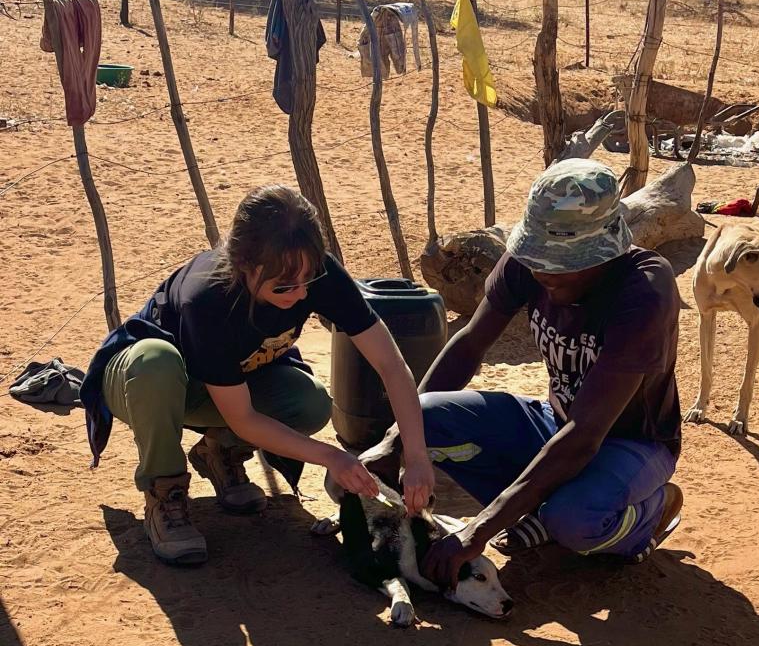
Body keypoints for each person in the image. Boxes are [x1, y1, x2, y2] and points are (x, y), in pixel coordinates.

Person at [367, 159, 683, 589]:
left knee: (574, 519)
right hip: (554, 424)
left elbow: (586, 435)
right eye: (539, 259)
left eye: (563, 262)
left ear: (606, 250)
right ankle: (537, 511)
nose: (544, 272)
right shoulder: (528, 261)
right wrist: (399, 441)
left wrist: (477, 531)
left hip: (629, 443)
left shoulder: (644, 292)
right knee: (425, 416)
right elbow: (469, 345)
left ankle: (649, 513)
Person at [80, 185, 434, 566]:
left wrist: (415, 456)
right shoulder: (208, 299)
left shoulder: (312, 272)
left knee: (308, 401)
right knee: (157, 361)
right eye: (283, 286)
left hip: (224, 385)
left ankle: (222, 452)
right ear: (244, 265)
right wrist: (332, 457)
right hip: (142, 383)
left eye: (308, 281)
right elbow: (242, 416)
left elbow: (391, 366)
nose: (300, 295)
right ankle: (163, 491)